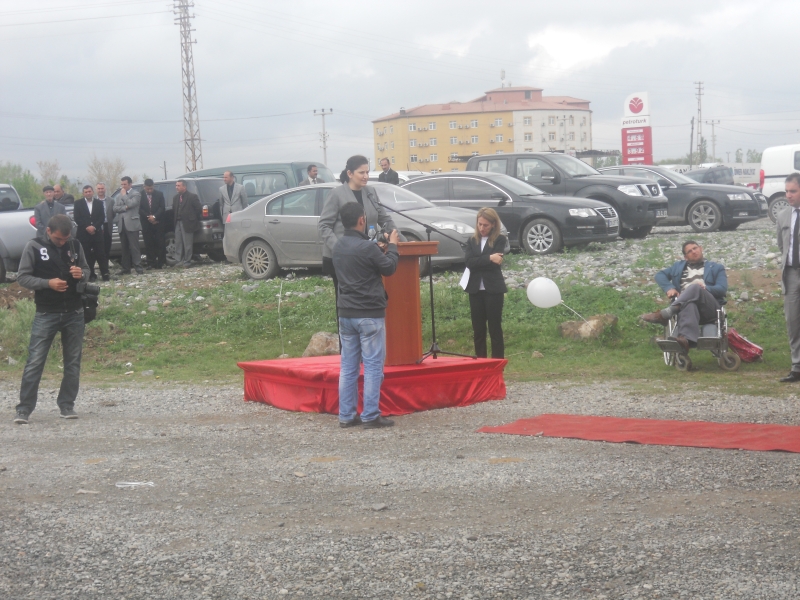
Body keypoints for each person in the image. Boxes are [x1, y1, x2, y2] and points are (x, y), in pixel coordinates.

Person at [14, 214, 89, 424]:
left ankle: (67, 405)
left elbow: (87, 270)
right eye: (58, 239)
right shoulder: (34, 246)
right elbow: (22, 277)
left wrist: (80, 274)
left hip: (74, 312)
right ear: (48, 231)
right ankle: (24, 409)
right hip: (46, 312)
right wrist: (48, 283)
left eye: (66, 239)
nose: (63, 242)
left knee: (73, 362)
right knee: (35, 361)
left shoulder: (75, 244)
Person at [333, 202, 399, 429]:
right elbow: (389, 268)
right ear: (362, 220)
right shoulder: (367, 248)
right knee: (372, 366)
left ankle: (346, 415)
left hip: (346, 313)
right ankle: (371, 415)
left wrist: (376, 249)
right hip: (369, 313)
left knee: (348, 367)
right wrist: (393, 246)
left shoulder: (338, 246)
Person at [319, 155, 401, 298]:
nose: (366, 176)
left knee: (365, 297)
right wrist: (339, 247)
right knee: (347, 300)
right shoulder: (336, 194)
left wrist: (400, 238)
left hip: (365, 254)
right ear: (350, 174)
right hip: (342, 257)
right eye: (361, 173)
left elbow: (384, 219)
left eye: (367, 172)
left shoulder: (370, 192)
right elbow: (324, 225)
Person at [640, 241, 727, 353]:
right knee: (689, 303)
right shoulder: (678, 267)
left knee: (695, 287)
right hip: (686, 308)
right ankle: (685, 341)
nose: (693, 252)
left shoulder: (716, 268)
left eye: (695, 248)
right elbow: (659, 275)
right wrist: (669, 288)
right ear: (686, 257)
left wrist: (705, 288)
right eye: (689, 251)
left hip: (710, 307)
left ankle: (666, 314)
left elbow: (722, 289)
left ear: (701, 248)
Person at [463, 208, 508, 359]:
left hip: (493, 289)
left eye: (486, 225)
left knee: (495, 328)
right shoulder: (471, 240)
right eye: (480, 224)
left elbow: (497, 263)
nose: (482, 228)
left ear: (494, 225)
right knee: (478, 330)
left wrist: (480, 261)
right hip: (475, 290)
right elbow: (469, 263)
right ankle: (480, 362)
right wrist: (489, 258)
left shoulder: (500, 240)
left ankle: (497, 363)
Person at [776, 172, 800, 382]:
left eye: (793, 191)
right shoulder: (783, 215)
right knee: (793, 320)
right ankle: (796, 367)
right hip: (791, 273)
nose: (788, 195)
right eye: (787, 191)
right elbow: (782, 245)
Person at [74, 184, 109, 281]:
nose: (88, 193)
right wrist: (87, 227)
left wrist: (94, 227)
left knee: (101, 254)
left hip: (97, 233)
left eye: (89, 191)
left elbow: (102, 217)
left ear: (93, 192)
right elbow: (77, 218)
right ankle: (90, 275)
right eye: (86, 192)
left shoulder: (99, 203)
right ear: (83, 193)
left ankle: (105, 274)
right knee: (86, 255)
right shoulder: (78, 203)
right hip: (83, 234)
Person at [113, 176, 143, 275]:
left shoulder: (136, 194)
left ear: (130, 184)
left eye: (125, 184)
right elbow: (115, 208)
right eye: (122, 184)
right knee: (124, 248)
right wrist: (125, 207)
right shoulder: (118, 196)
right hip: (122, 224)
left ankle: (138, 267)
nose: (123, 186)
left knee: (134, 247)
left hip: (132, 224)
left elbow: (131, 204)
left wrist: (125, 196)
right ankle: (126, 268)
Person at [172, 179, 202, 268]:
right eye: (176, 185)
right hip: (178, 222)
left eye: (178, 186)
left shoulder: (192, 196)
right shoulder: (175, 198)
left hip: (188, 223)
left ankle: (187, 261)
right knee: (178, 242)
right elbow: (174, 209)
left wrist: (191, 218)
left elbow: (198, 209)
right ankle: (179, 261)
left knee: (187, 243)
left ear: (184, 187)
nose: (176, 187)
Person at [139, 179, 166, 269]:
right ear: (144, 187)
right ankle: (151, 263)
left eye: (151, 188)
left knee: (160, 242)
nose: (150, 191)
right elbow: (140, 209)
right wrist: (149, 217)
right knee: (149, 243)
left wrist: (154, 217)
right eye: (148, 189)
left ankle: (161, 262)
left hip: (158, 222)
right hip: (146, 223)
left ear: (153, 187)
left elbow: (162, 208)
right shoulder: (140, 195)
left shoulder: (159, 194)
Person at [96, 182, 114, 260]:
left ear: (105, 189)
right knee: (98, 247)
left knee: (107, 247)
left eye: (102, 188)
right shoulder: (93, 201)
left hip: (107, 226)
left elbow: (114, 213)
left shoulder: (111, 200)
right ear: (96, 190)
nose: (101, 190)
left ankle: (105, 268)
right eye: (99, 188)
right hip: (97, 226)